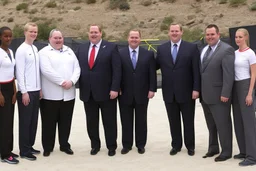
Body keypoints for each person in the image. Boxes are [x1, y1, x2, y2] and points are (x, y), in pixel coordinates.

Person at [76, 24, 121, 156]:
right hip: (88, 93)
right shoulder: (81, 48)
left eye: (96, 32)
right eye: (91, 32)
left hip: (107, 93)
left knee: (109, 121)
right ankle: (95, 145)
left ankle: (111, 146)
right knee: (91, 122)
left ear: (101, 33)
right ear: (88, 34)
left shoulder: (111, 47)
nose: (93, 34)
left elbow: (117, 70)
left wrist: (115, 88)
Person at [156, 24, 200, 156]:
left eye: (177, 31)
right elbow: (153, 66)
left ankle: (190, 146)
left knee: (188, 121)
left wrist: (196, 89)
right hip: (169, 92)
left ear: (181, 32)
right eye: (172, 31)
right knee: (173, 121)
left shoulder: (191, 48)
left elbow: (196, 70)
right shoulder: (162, 49)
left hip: (187, 92)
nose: (174, 33)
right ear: (168, 33)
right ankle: (176, 145)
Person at [39, 29, 81, 157]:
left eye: (60, 38)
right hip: (50, 95)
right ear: (49, 39)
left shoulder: (69, 51)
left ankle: (64, 145)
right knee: (48, 123)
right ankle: (48, 147)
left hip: (69, 95)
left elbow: (77, 68)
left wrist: (72, 81)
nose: (58, 40)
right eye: (55, 38)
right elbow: (47, 70)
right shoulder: (43, 53)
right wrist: (63, 82)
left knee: (65, 122)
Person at [118, 29, 157, 155]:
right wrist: (116, 87)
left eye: (136, 37)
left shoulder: (148, 54)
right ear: (128, 39)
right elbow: (117, 73)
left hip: (142, 93)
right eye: (132, 37)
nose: (134, 39)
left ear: (140, 39)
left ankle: (140, 144)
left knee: (141, 120)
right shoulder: (120, 53)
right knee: (125, 120)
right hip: (124, 93)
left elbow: (152, 73)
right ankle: (126, 145)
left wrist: (152, 89)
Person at [200, 24, 234, 162]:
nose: (210, 37)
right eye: (208, 34)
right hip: (206, 96)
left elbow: (229, 74)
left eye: (212, 34)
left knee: (223, 124)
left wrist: (225, 93)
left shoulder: (227, 50)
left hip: (220, 95)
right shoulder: (203, 50)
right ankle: (213, 147)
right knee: (211, 125)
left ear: (218, 34)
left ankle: (226, 151)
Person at [15, 22, 41, 161]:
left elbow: (36, 72)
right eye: (31, 31)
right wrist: (23, 91)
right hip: (27, 92)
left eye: (35, 32)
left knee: (33, 121)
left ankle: (29, 145)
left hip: (36, 91)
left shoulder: (35, 48)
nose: (33, 34)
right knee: (25, 122)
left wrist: (40, 88)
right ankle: (24, 150)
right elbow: (20, 72)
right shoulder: (21, 50)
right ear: (25, 32)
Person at [232, 28, 256, 166]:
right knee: (238, 121)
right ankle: (243, 151)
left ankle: (252, 156)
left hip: (245, 86)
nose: (238, 39)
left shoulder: (250, 53)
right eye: (236, 37)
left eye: (240, 37)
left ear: (246, 37)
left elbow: (254, 74)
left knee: (249, 123)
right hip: (235, 88)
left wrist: (249, 93)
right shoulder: (234, 53)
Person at [0, 27, 19, 164]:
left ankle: (8, 149)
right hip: (1, 90)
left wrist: (14, 92)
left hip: (10, 88)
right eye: (5, 36)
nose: (8, 39)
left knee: (10, 121)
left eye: (10, 36)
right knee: (4, 123)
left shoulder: (11, 52)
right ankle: (5, 154)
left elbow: (11, 74)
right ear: (0, 37)